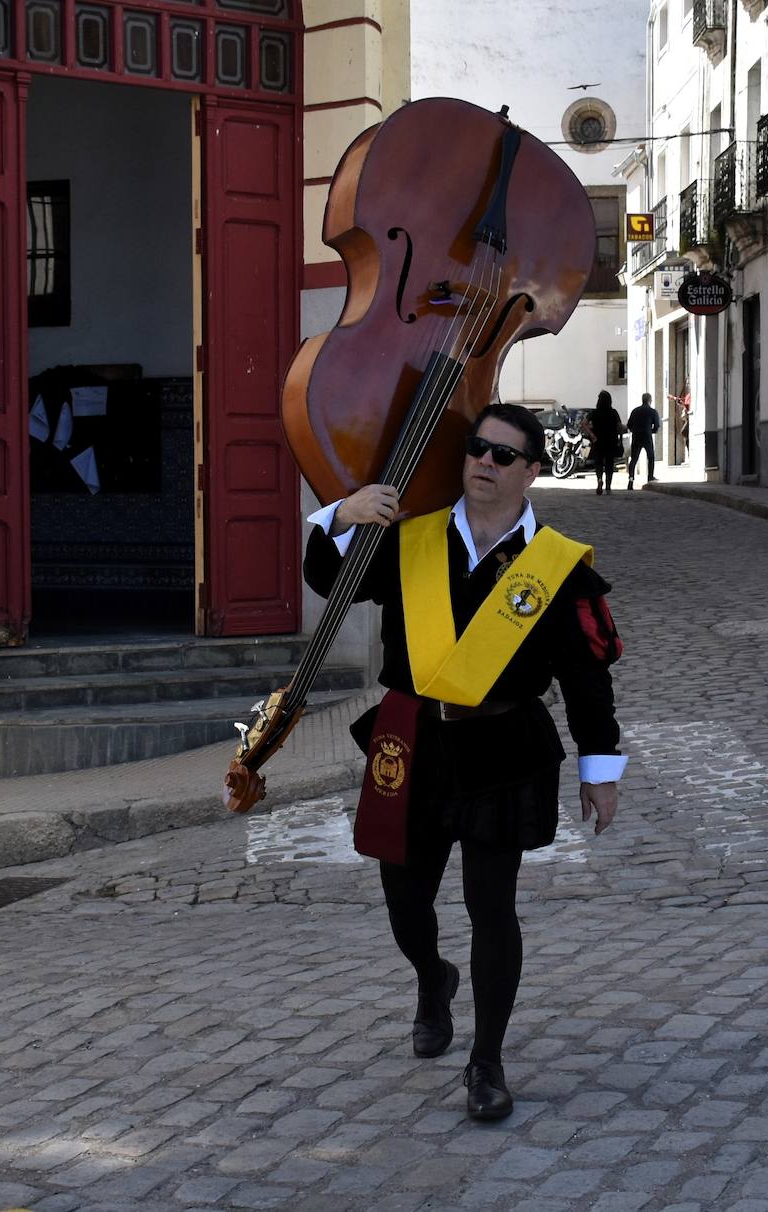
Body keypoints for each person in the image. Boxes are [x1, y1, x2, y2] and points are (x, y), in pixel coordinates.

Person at [302, 402, 627, 1123]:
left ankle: (487, 1063)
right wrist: (343, 514)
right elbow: (331, 579)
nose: (485, 461)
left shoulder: (557, 568)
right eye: (478, 448)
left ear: (533, 471)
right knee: (405, 905)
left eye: (504, 455)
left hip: (504, 750)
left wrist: (598, 769)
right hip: (410, 742)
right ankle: (432, 978)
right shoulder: (408, 540)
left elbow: (586, 676)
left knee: (491, 908)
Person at [584, 389, 626, 495]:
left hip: (598, 440)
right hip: (611, 440)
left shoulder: (594, 412)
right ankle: (608, 486)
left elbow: (584, 423)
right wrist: (620, 438)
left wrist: (592, 434)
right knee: (609, 463)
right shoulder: (613, 412)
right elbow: (619, 427)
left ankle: (599, 480)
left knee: (598, 462)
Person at [626, 392, 661, 489]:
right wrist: (651, 431)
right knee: (651, 457)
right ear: (650, 400)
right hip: (647, 436)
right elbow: (657, 426)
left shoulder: (635, 411)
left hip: (636, 436)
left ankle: (631, 478)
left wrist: (635, 430)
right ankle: (650, 477)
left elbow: (629, 425)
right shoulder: (653, 412)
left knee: (634, 459)